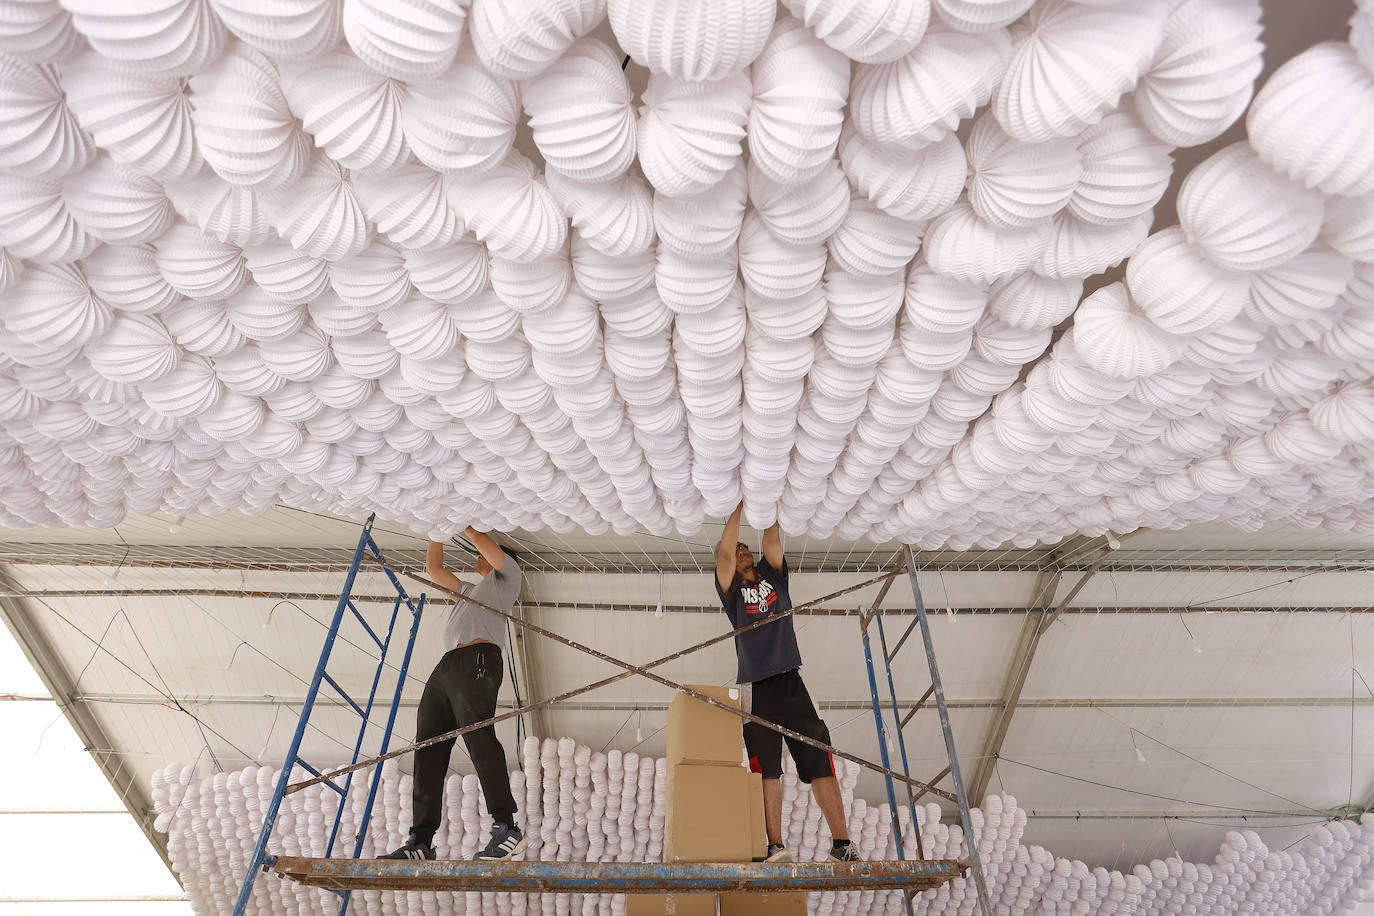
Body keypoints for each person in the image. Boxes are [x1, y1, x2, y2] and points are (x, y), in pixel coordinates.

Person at [715, 502, 860, 864]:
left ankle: (842, 844)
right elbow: (723, 551)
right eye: (737, 550)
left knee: (818, 755)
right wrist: (737, 506)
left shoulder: (773, 576)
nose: (742, 550)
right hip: (756, 687)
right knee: (767, 767)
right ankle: (775, 846)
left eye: (744, 547)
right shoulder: (730, 590)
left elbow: (771, 536)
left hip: (791, 682)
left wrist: (764, 497)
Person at [382, 527, 526, 861]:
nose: (476, 559)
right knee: (427, 746)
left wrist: (462, 524)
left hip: (478, 660)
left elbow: (484, 546)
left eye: (484, 556)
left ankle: (506, 827)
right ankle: (420, 839)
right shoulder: (469, 591)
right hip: (447, 666)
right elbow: (434, 571)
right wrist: (435, 532)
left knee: (478, 737)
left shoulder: (509, 580)